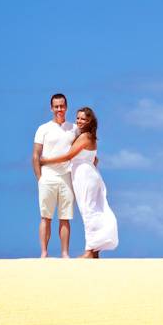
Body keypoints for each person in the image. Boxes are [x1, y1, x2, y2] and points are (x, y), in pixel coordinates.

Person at [40, 107, 118, 258]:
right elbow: (95, 159)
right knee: (92, 210)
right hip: (86, 174)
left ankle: (89, 251)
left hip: (84, 176)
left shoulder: (85, 137)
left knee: (88, 211)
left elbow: (68, 156)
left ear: (90, 121)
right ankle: (94, 251)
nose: (79, 121)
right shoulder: (89, 137)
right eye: (78, 118)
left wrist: (46, 161)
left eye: (83, 119)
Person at [32, 93, 78, 258]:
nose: (59, 109)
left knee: (65, 217)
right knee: (46, 217)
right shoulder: (43, 129)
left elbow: (82, 150)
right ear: (51, 108)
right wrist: (40, 178)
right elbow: (36, 155)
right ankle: (44, 252)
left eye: (62, 106)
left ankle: (65, 253)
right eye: (56, 106)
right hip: (48, 177)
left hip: (66, 177)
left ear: (66, 107)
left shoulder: (74, 129)